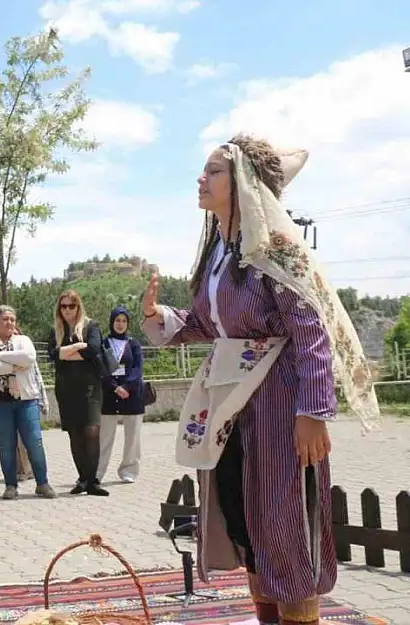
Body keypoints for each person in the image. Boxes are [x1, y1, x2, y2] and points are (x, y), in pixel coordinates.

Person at [141, 134, 380, 625]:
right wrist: (162, 317)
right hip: (230, 404)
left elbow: (311, 330)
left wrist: (313, 412)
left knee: (285, 522)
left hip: (279, 398)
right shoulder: (219, 255)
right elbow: (211, 324)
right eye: (204, 170)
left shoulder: (278, 249)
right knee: (246, 517)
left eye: (214, 171)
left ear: (244, 182)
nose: (202, 179)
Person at [0, 305, 57, 500]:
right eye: (5, 319)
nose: (9, 323)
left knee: (34, 441)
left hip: (26, 400)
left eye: (12, 319)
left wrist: (0, 357)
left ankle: (42, 483)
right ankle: (10, 486)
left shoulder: (24, 341)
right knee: (6, 445)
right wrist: (14, 366)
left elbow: (29, 358)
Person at [46, 290, 108, 497]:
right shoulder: (55, 330)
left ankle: (93, 480)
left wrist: (66, 353)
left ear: (78, 307)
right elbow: (53, 355)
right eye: (63, 306)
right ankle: (83, 479)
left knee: (91, 431)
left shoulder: (92, 326)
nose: (67, 310)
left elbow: (93, 350)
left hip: (90, 387)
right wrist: (76, 347)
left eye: (71, 306)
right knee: (75, 434)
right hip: (66, 388)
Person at [97, 306, 145, 484]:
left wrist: (126, 386)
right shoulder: (104, 343)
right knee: (104, 439)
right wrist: (114, 387)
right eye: (117, 320)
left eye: (124, 321)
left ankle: (129, 471)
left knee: (133, 439)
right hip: (110, 396)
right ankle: (98, 473)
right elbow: (101, 369)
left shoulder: (134, 344)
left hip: (132, 396)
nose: (120, 324)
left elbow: (137, 369)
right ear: (112, 322)